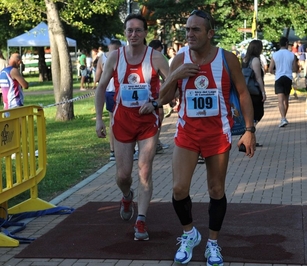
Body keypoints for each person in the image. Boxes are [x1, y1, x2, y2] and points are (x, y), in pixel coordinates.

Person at [154, 9, 256, 266]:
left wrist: (249, 130)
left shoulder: (227, 59)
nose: (189, 34)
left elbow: (243, 94)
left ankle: (212, 243)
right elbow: (162, 99)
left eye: (195, 30)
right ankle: (190, 234)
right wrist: (174, 77)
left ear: (209, 33)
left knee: (216, 189)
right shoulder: (179, 59)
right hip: (187, 133)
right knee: (179, 189)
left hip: (217, 134)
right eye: (187, 29)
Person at [94, 14, 169, 240]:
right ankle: (127, 195)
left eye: (138, 30)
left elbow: (172, 85)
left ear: (146, 33)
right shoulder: (115, 58)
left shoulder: (156, 57)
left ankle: (141, 220)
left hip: (148, 122)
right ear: (125, 33)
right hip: (123, 121)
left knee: (144, 170)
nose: (134, 34)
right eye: (130, 30)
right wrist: (99, 118)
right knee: (123, 175)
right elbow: (100, 88)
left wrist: (156, 103)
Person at [94, 39, 122, 161]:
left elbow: (97, 76)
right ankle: (130, 148)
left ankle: (113, 150)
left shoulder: (103, 58)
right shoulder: (122, 56)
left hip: (109, 91)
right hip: (119, 91)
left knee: (112, 121)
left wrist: (96, 85)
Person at [269, 36, 298, 128]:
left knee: (280, 100)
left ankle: (283, 118)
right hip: (288, 78)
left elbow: (270, 69)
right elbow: (295, 68)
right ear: (286, 44)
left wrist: (276, 72)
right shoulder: (291, 55)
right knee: (286, 100)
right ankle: (284, 117)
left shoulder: (275, 54)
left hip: (279, 78)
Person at [241, 40, 267, 127]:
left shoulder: (245, 59)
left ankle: (247, 135)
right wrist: (263, 92)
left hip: (246, 90)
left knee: (249, 115)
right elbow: (258, 77)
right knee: (258, 113)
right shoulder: (255, 60)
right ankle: (248, 134)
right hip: (254, 91)